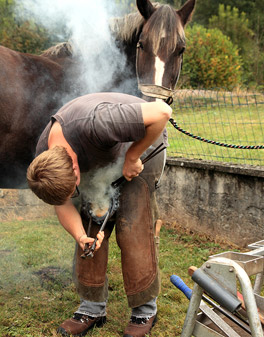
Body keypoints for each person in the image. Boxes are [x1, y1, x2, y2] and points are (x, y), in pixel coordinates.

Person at [27, 92, 172, 337]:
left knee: (133, 226)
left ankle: (144, 310)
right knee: (89, 224)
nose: (75, 193)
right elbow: (63, 204)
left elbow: (162, 112)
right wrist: (80, 235)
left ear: (75, 166)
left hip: (145, 144)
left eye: (74, 188)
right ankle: (92, 307)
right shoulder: (46, 160)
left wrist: (132, 156)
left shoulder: (98, 123)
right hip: (102, 157)